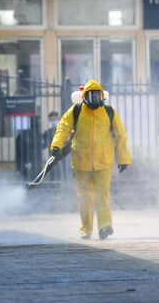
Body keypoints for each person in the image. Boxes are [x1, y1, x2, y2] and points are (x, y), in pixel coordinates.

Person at [50, 79, 131, 240]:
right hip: (82, 162)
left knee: (103, 194)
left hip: (104, 162)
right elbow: (63, 128)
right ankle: (86, 229)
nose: (95, 99)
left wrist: (123, 158)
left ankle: (104, 226)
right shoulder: (76, 111)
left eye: (97, 95)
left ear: (102, 96)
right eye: (91, 95)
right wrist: (56, 146)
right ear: (84, 96)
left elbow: (120, 135)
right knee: (85, 197)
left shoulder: (109, 111)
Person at [41, 111, 64, 181]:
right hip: (51, 155)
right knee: (52, 169)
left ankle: (62, 182)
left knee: (61, 169)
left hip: (63, 155)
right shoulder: (46, 133)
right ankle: (52, 182)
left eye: (55, 119)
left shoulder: (63, 131)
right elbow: (43, 145)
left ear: (58, 119)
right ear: (48, 121)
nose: (53, 121)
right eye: (51, 120)